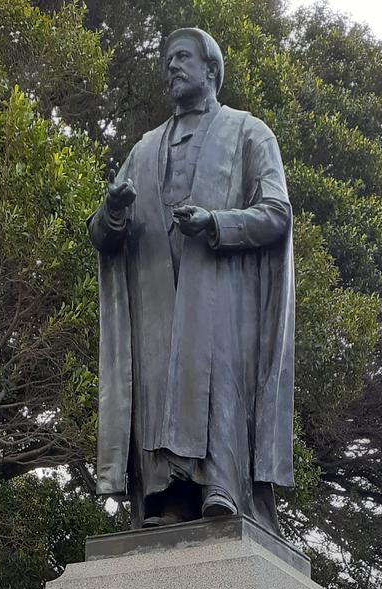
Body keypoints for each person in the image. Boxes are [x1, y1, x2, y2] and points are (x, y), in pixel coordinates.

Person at [88, 27, 295, 531]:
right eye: (167, 62)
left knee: (218, 384)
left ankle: (223, 487)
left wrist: (218, 223)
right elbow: (103, 236)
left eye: (182, 58)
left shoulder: (249, 133)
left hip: (224, 297)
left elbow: (276, 213)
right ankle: (172, 495)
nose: (172, 68)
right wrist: (113, 212)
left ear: (211, 69)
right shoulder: (144, 149)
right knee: (159, 391)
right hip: (159, 305)